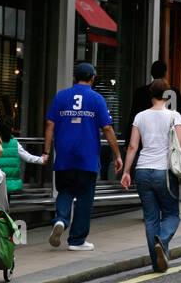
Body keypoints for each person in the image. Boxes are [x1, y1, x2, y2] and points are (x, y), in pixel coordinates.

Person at [44, 62, 122, 251]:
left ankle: (61, 219)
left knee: (65, 191)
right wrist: (117, 155)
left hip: (64, 156)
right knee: (85, 197)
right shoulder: (96, 99)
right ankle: (77, 240)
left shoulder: (61, 96)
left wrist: (46, 151)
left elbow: (50, 125)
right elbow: (108, 128)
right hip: (87, 156)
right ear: (93, 78)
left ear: (74, 78)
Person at [121, 80, 181, 271]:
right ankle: (163, 240)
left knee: (150, 219)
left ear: (151, 95)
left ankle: (158, 262)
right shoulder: (175, 116)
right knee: (172, 214)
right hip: (164, 171)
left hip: (142, 170)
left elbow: (133, 147)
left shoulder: (140, 116)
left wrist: (126, 171)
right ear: (167, 95)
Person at [126, 60, 181, 146]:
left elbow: (133, 116)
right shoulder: (174, 92)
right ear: (165, 73)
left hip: (145, 141)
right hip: (170, 141)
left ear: (151, 73)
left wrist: (128, 141)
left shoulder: (141, 92)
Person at [0, 118, 46, 197]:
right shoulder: (15, 144)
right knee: (6, 204)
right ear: (11, 129)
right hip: (10, 183)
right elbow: (27, 157)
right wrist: (41, 160)